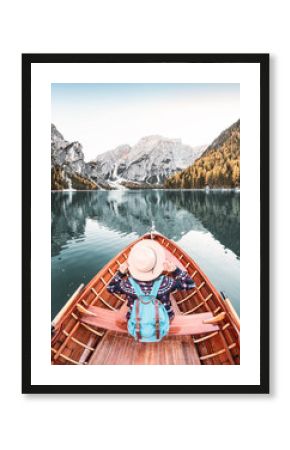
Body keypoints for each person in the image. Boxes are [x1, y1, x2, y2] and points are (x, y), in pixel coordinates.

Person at [107, 239, 196, 322]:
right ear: (156, 265)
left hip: (136, 320)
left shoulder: (127, 284)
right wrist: (175, 270)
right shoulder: (166, 282)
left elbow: (110, 288)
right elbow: (191, 285)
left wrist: (120, 273)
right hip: (163, 319)